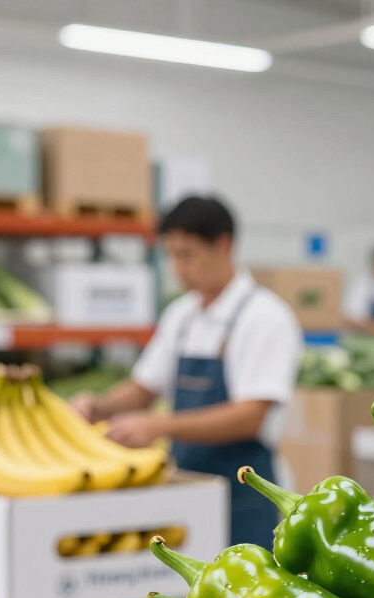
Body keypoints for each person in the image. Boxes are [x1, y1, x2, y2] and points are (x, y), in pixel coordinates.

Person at [71, 196, 300, 547]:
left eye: (187, 255)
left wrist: (159, 425)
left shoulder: (264, 317)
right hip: (187, 491)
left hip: (246, 496)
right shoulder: (181, 316)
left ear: (223, 245)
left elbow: (250, 416)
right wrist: (100, 407)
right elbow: (144, 387)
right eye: (170, 255)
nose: (177, 268)